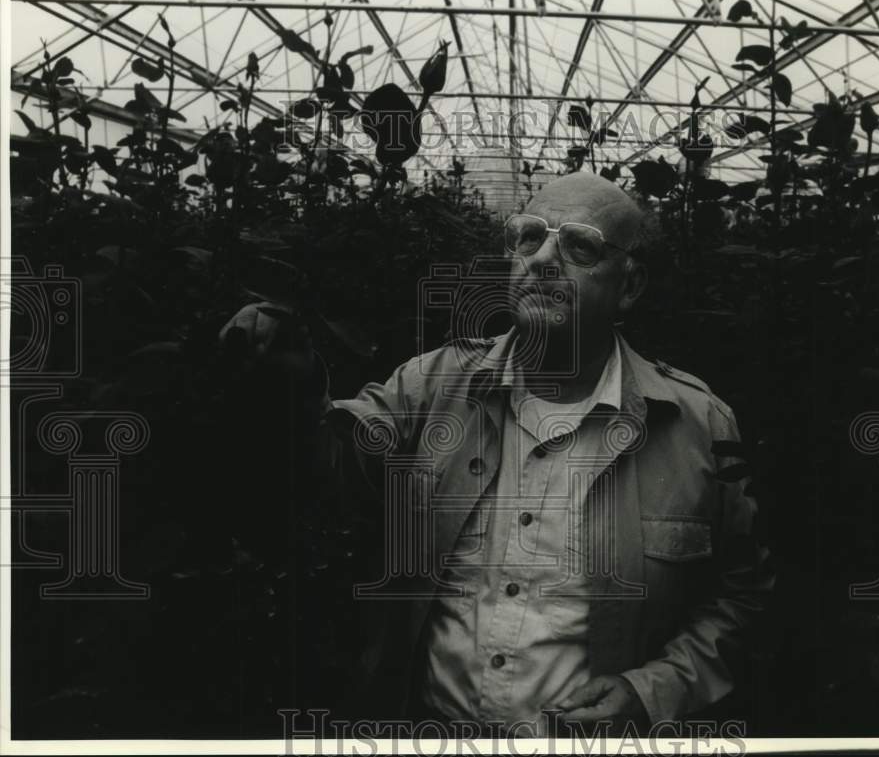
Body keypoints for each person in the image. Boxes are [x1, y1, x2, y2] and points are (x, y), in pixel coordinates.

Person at [220, 171, 773, 737]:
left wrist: (650, 690)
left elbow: (742, 599)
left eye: (579, 245)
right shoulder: (430, 386)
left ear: (629, 285)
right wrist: (292, 386)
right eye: (529, 237)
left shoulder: (696, 425)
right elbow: (329, 467)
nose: (543, 259)